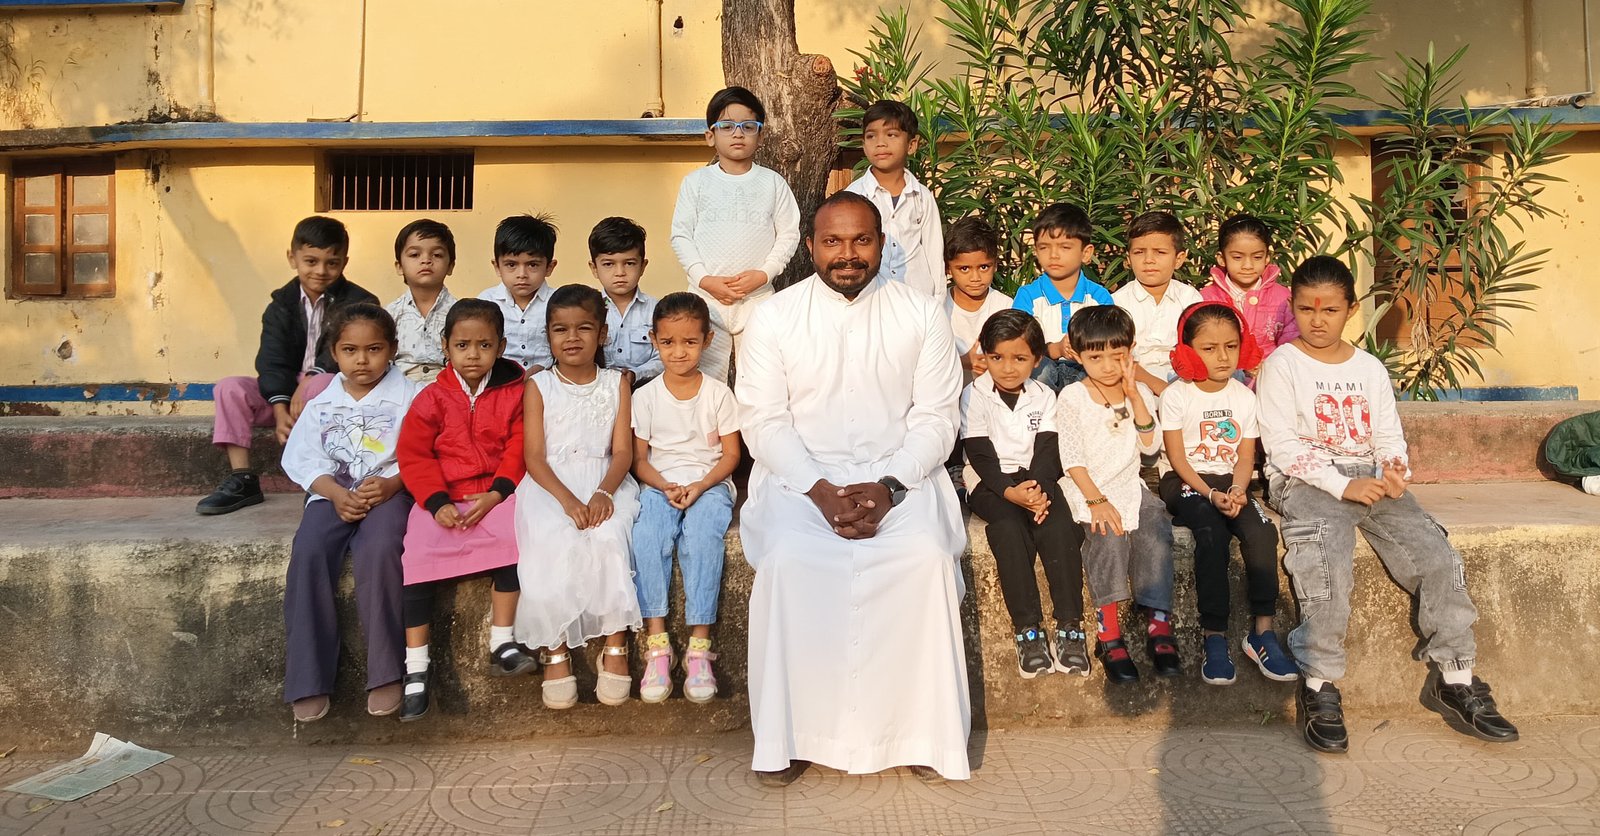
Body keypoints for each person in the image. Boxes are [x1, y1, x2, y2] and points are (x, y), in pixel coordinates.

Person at [737, 191, 969, 785]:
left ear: (882, 244)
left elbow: (937, 418)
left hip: (901, 478)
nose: (847, 254)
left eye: (861, 240)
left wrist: (890, 486)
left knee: (924, 558)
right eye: (833, 241)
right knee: (789, 560)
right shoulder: (774, 317)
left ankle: (923, 733)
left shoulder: (920, 314)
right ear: (811, 246)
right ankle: (790, 735)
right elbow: (764, 421)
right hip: (799, 481)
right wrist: (817, 488)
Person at [1258, 255, 1518, 754]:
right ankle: (1318, 685)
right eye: (1307, 309)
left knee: (1437, 557)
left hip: (1372, 478)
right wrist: (1342, 486)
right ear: (1293, 307)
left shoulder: (1369, 367)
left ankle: (1456, 677)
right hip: (1306, 480)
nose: (1318, 320)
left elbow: (1386, 434)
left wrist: (1395, 470)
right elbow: (1284, 447)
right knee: (1327, 566)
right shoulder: (1282, 365)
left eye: (1330, 310)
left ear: (1350, 309)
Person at [394, 300, 533, 723]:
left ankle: (502, 641)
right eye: (462, 345)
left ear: (501, 346)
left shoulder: (515, 392)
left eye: (484, 345)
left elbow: (519, 445)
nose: (473, 355)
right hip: (442, 497)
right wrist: (436, 503)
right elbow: (414, 455)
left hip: (495, 493)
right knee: (416, 556)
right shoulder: (431, 398)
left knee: (516, 540)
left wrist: (497, 493)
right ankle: (416, 667)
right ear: (445, 346)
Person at [279, 303, 419, 722]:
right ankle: (308, 678)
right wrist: (334, 493)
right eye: (350, 350)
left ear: (392, 349)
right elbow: (302, 458)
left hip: (390, 493)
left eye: (374, 349)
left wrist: (393, 484)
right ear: (334, 353)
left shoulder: (412, 397)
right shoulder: (322, 402)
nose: (362, 360)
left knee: (381, 550)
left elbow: (425, 452)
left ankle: (386, 672)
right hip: (331, 494)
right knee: (309, 551)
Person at [513, 284, 643, 710]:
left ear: (602, 334)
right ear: (548, 335)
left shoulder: (616, 383)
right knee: (551, 542)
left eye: (584, 328)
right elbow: (534, 457)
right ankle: (554, 649)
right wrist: (568, 501)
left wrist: (604, 492)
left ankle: (615, 642)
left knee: (610, 538)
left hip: (606, 480)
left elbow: (622, 452)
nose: (572, 338)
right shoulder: (539, 386)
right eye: (560, 329)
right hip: (551, 485)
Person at [198, 216, 377, 515]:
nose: (321, 271)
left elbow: (341, 354)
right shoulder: (281, 304)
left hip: (328, 389)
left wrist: (310, 379)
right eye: (311, 261)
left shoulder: (360, 302)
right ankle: (242, 479)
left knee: (321, 384)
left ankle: (326, 478)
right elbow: (272, 359)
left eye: (332, 263)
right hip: (285, 395)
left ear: (344, 262)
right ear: (292, 258)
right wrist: (280, 409)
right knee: (229, 388)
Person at [1158, 302, 1295, 686]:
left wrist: (1237, 488)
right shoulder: (1177, 395)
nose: (1222, 356)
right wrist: (1210, 494)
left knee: (1262, 531)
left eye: (1231, 346)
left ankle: (1262, 632)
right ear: (1187, 352)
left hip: (1230, 480)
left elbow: (1245, 455)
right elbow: (1177, 459)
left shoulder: (1244, 397)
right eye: (1209, 348)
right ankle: (1214, 637)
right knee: (1211, 532)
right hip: (1186, 481)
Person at [962, 309, 1089, 679]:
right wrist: (1009, 492)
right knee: (1007, 529)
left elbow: (1048, 449)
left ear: (1036, 360)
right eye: (997, 357)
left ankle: (1070, 627)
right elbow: (980, 455)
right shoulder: (973, 396)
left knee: (1059, 527)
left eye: (1019, 358)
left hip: (1036, 479)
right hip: (988, 482)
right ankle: (1028, 631)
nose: (1007, 368)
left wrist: (1039, 491)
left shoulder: (1044, 395)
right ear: (984, 356)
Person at [1054, 305, 1177, 684]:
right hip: (1087, 487)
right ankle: (1108, 632)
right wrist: (1097, 501)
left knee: (1155, 524)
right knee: (1107, 534)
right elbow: (1072, 461)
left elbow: (1150, 449)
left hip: (1128, 483)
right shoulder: (1073, 397)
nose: (1108, 366)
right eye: (1096, 357)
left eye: (1117, 356)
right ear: (1077, 356)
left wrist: (1135, 398)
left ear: (1131, 351)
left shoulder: (1139, 392)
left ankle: (1158, 622)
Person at [630, 292, 741, 704]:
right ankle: (657, 644)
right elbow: (639, 460)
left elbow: (731, 455)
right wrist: (663, 486)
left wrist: (701, 485)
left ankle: (699, 647)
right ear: (654, 340)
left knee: (701, 538)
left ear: (707, 340)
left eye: (690, 342)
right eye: (668, 342)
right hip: (660, 484)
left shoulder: (718, 394)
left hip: (710, 485)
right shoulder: (645, 397)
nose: (679, 352)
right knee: (648, 536)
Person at [669, 86, 801, 383]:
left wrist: (764, 274)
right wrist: (705, 279)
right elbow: (681, 236)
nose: (738, 134)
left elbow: (789, 234)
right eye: (727, 126)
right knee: (704, 381)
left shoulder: (773, 183)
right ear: (710, 136)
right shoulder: (696, 183)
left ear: (761, 136)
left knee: (759, 380)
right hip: (706, 299)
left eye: (748, 126)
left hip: (757, 298)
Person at [843, 99, 945, 297]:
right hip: (871, 297)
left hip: (917, 297)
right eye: (871, 136)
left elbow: (934, 253)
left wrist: (938, 302)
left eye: (891, 135)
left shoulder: (922, 196)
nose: (880, 143)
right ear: (863, 145)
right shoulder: (853, 197)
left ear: (911, 145)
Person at [1010, 203, 1113, 392]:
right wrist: (1056, 349)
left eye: (1065, 247)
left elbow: (1110, 344)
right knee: (1039, 371)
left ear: (1086, 253)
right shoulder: (1028, 296)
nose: (1054, 255)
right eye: (1044, 247)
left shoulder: (1099, 298)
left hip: (1086, 369)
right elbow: (1018, 346)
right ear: (1036, 250)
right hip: (1043, 369)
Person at [1111, 210, 1203, 395]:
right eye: (1139, 252)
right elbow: (1118, 357)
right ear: (1128, 259)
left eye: (1160, 252)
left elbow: (1199, 347)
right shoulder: (1118, 303)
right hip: (1136, 377)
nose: (1148, 260)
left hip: (1183, 376)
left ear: (1179, 259)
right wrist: (1158, 386)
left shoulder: (1189, 298)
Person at [1201, 214, 1297, 380]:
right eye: (1237, 257)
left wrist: (1271, 367)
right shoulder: (1206, 298)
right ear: (1221, 259)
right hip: (1221, 382)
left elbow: (1291, 342)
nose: (1248, 265)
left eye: (1257, 257)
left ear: (1267, 257)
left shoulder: (1283, 297)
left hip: (1273, 379)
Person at [479, 213, 559, 374]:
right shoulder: (486, 302)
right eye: (511, 265)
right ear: (497, 266)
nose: (522, 274)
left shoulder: (559, 302)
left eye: (533, 265)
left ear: (549, 267)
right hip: (498, 381)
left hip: (548, 381)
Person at [592, 217, 663, 388]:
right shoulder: (587, 310)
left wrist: (635, 374)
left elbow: (664, 356)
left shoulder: (657, 310)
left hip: (644, 391)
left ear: (643, 266)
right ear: (594, 268)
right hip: (596, 392)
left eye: (629, 263)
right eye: (608, 264)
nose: (620, 272)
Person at [386, 219, 458, 383]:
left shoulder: (460, 313)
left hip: (447, 386)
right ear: (399, 266)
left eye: (437, 255)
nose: (426, 260)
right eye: (415, 255)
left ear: (450, 266)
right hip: (400, 385)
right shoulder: (391, 314)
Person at [943, 217, 1013, 384]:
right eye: (964, 269)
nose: (975, 277)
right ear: (947, 268)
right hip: (950, 396)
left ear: (995, 265)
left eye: (983, 267)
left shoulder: (1006, 307)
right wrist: (963, 362)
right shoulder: (938, 306)